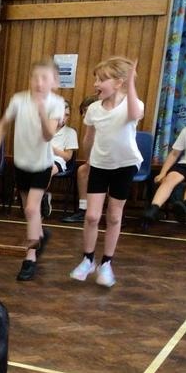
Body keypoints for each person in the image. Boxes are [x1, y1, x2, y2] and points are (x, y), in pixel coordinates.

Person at [69, 57, 143, 288]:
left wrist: (131, 82)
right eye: (96, 79)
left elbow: (134, 113)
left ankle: (107, 263)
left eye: (101, 80)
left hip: (125, 165)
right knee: (92, 216)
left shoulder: (133, 105)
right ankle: (88, 259)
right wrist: (88, 159)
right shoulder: (93, 109)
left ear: (119, 82)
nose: (96, 84)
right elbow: (89, 138)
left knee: (114, 216)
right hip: (100, 165)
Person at [0, 61, 64, 281]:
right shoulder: (19, 99)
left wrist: (41, 112)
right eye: (35, 77)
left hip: (42, 165)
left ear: (54, 82)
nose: (39, 82)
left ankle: (29, 258)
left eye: (44, 78)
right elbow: (3, 124)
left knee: (31, 208)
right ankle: (40, 234)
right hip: (21, 164)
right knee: (29, 212)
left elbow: (48, 135)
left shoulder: (56, 103)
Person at [61, 96, 99, 223]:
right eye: (82, 112)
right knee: (83, 170)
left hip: (117, 164)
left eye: (86, 111)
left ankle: (115, 213)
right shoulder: (91, 128)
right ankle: (83, 209)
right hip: (98, 162)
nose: (83, 115)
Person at [142, 126, 186, 227]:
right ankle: (153, 209)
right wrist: (163, 173)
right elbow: (174, 154)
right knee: (170, 178)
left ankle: (184, 208)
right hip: (184, 164)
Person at [43, 99, 79, 218]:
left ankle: (40, 198)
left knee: (47, 168)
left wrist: (51, 148)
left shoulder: (70, 132)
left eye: (67, 115)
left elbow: (68, 157)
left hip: (57, 161)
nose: (64, 118)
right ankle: (41, 197)